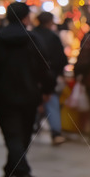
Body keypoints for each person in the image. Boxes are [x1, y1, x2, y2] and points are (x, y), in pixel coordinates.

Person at [0, 3, 54, 177]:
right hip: (30, 95)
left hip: (4, 96)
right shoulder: (33, 39)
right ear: (26, 18)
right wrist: (46, 90)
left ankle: (12, 170)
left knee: (12, 135)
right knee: (23, 135)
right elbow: (45, 67)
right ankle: (23, 172)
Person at [31, 12, 69, 146]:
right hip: (50, 76)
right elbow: (61, 59)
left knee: (34, 103)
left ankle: (32, 127)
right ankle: (56, 133)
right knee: (52, 103)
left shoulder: (31, 35)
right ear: (50, 22)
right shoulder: (53, 37)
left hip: (32, 77)